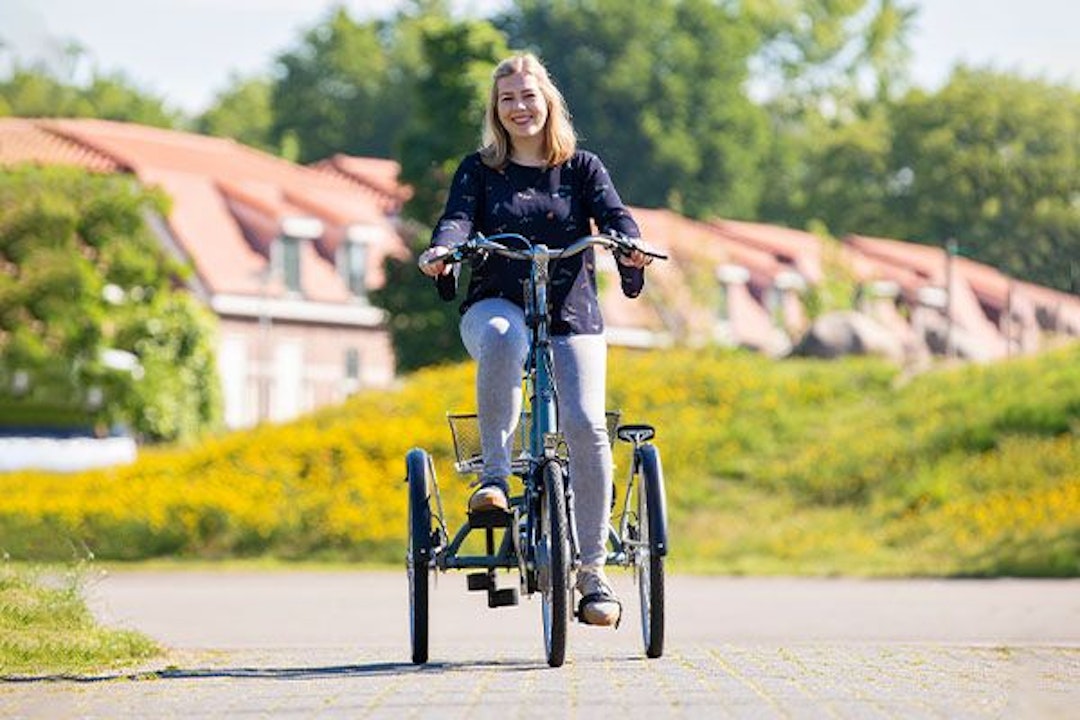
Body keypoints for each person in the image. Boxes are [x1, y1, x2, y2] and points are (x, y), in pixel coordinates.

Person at [418, 53, 652, 628]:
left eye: (528, 96)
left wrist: (629, 244)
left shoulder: (582, 168)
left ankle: (593, 574)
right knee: (501, 341)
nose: (519, 108)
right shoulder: (480, 169)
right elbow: (456, 220)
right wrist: (442, 250)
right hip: (496, 300)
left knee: (586, 423)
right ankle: (495, 480)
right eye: (507, 100)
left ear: (548, 102)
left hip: (572, 311)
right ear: (495, 112)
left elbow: (616, 216)